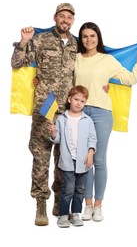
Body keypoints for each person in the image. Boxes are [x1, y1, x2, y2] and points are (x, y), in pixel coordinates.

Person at [74, 22, 137, 222]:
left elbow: (130, 79)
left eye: (92, 36)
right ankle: (87, 205)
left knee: (98, 159)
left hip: (101, 113)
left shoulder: (107, 60)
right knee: (84, 161)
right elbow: (65, 81)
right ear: (80, 39)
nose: (88, 40)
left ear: (98, 37)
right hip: (80, 114)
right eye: (84, 36)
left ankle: (98, 205)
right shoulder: (76, 59)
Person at [11, 3, 77, 226]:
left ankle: (59, 201)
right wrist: (23, 42)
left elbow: (87, 70)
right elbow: (17, 63)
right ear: (55, 17)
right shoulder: (41, 40)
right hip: (44, 107)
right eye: (62, 16)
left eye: (69, 17)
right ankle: (40, 204)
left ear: (72, 21)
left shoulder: (76, 44)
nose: (65, 20)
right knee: (41, 157)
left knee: (63, 159)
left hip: (67, 112)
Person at [49, 85, 97, 228]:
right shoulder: (62, 119)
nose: (78, 103)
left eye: (82, 101)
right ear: (69, 99)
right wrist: (52, 133)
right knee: (68, 189)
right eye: (76, 99)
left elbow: (92, 139)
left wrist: (90, 154)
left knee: (80, 189)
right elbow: (57, 139)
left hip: (83, 161)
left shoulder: (87, 120)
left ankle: (75, 213)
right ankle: (63, 215)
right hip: (68, 161)